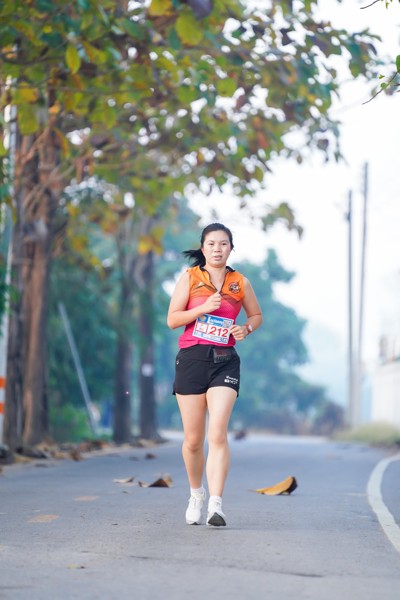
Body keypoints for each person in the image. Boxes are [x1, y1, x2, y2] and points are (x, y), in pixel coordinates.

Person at [167, 223, 262, 527]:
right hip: (192, 359)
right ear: (203, 248)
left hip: (225, 361)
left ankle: (216, 506)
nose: (217, 249)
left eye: (223, 244)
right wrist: (203, 308)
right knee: (194, 440)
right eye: (211, 244)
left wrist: (246, 328)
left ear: (231, 248)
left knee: (218, 433)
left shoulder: (240, 282)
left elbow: (256, 315)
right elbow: (172, 320)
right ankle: (197, 494)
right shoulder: (190, 278)